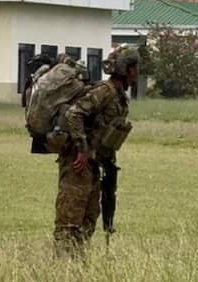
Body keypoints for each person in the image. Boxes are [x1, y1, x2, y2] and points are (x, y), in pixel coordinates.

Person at [54, 46, 137, 258]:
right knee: (70, 221)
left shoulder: (120, 97)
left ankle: (78, 264)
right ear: (126, 70)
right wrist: (81, 150)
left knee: (88, 220)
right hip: (78, 163)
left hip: (94, 164)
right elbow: (75, 114)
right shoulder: (105, 91)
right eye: (135, 68)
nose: (137, 73)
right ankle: (63, 267)